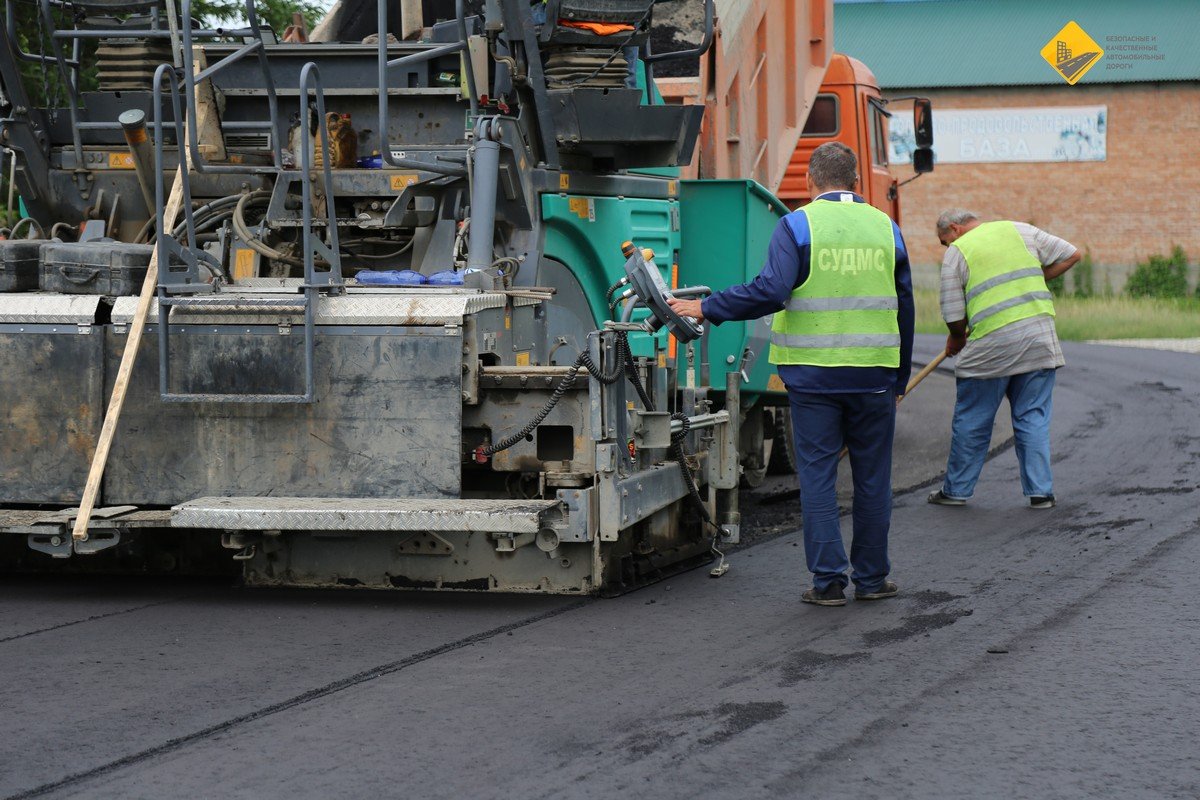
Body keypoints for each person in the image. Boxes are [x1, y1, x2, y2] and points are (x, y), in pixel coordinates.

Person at [667, 141, 914, 607]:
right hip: (874, 377)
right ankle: (873, 578)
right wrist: (899, 379)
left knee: (819, 476)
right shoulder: (888, 228)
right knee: (873, 479)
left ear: (809, 181)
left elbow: (771, 290)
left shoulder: (796, 226)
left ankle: (828, 585)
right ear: (856, 181)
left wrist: (705, 308)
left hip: (815, 379)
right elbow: (905, 306)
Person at [927, 210, 1080, 510]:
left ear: (955, 229)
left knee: (973, 420)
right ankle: (1040, 493)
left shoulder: (958, 251)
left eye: (945, 241)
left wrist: (957, 337)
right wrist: (1039, 275)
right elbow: (1073, 254)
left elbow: (953, 311)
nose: (947, 247)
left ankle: (956, 491)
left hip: (990, 352)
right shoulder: (1021, 230)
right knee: (1032, 417)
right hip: (1038, 342)